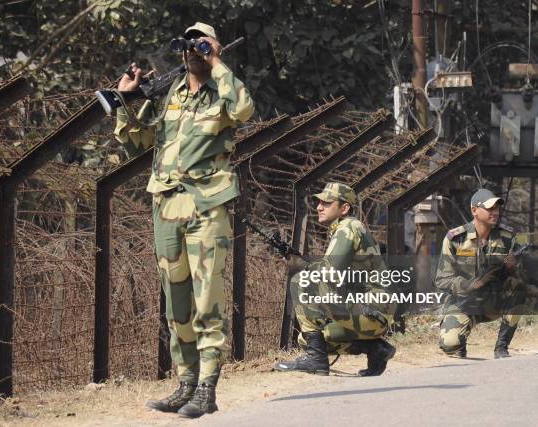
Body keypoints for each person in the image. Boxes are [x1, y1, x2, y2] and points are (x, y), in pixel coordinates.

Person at [114, 22, 254, 418]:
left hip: (207, 206)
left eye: (202, 44)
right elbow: (136, 142)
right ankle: (186, 383)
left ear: (214, 49)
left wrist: (217, 61)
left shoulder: (223, 91)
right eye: (189, 45)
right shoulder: (170, 92)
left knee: (207, 299)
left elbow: (243, 109)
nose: (193, 50)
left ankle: (207, 388)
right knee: (177, 303)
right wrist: (126, 99)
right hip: (167, 206)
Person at [274, 182, 396, 376]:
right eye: (319, 202)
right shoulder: (346, 227)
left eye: (327, 203)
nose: (319, 207)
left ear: (344, 208)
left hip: (372, 310)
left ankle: (316, 361)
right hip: (373, 312)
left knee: (301, 282)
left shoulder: (348, 228)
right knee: (312, 340)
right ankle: (376, 349)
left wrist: (302, 266)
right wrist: (299, 261)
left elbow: (329, 273)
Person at [435, 188, 525, 359]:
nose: (495, 212)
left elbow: (520, 278)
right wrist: (471, 284)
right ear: (474, 210)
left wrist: (513, 270)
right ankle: (460, 341)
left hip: (494, 301)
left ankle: (501, 347)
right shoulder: (455, 238)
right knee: (449, 344)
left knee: (518, 287)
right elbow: (442, 280)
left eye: (497, 208)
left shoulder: (507, 238)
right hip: (464, 302)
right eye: (490, 208)